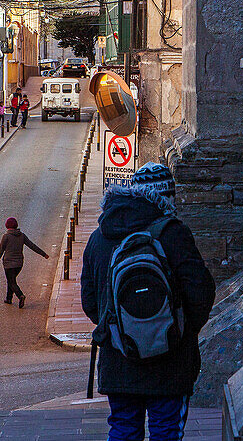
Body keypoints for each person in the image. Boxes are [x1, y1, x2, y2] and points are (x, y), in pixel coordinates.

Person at [81, 163, 215, 441]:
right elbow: (201, 292)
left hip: (119, 360)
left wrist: (122, 328)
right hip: (170, 361)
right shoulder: (173, 233)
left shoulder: (101, 236)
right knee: (166, 431)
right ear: (168, 198)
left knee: (123, 430)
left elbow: (90, 303)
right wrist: (177, 330)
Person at [0, 217, 48, 308]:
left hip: (8, 264)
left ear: (7, 226)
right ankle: (8, 298)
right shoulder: (22, 235)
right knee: (11, 280)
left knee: (11, 281)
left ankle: (20, 295)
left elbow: (0, 250)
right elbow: (32, 246)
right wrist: (43, 254)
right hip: (19, 264)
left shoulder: (6, 236)